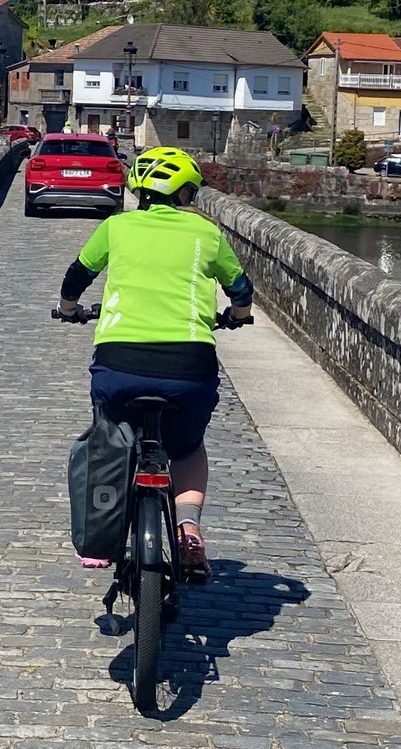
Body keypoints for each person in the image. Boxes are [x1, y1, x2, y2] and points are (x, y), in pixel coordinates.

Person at [54, 145, 253, 583]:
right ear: (184, 193)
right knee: (186, 447)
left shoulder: (117, 226)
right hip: (188, 368)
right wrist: (237, 318)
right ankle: (188, 529)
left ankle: (103, 531)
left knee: (112, 441)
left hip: (118, 364)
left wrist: (69, 309)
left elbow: (77, 276)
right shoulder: (207, 235)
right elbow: (240, 290)